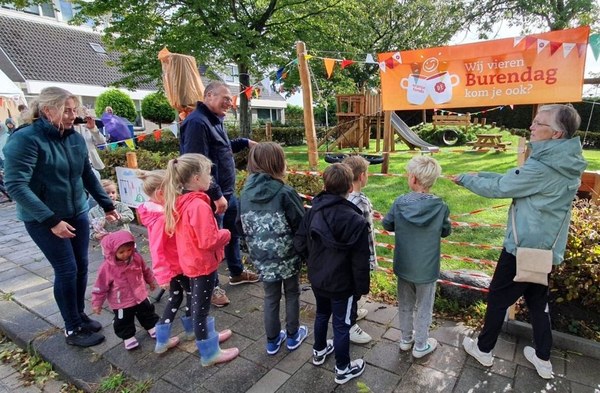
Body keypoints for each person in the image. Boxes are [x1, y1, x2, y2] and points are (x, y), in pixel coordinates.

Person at [452, 104, 587, 379]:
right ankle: (543, 359)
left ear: (556, 134)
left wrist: (466, 179)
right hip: (545, 247)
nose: (532, 127)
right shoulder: (566, 162)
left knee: (498, 298)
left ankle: (484, 349)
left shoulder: (543, 167)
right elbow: (514, 180)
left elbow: (502, 187)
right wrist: (483, 174)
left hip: (522, 247)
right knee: (538, 301)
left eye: (539, 124)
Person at [2, 86, 119, 347]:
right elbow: (16, 185)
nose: (72, 115)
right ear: (47, 111)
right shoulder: (25, 140)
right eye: (66, 110)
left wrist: (106, 205)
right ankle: (72, 328)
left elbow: (86, 174)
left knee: (81, 266)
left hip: (76, 211)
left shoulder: (74, 137)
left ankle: (79, 315)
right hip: (43, 218)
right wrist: (51, 221)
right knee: (66, 269)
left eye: (74, 109)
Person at [180, 80, 259, 308]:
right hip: (212, 196)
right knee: (211, 243)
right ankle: (211, 286)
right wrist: (215, 195)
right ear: (209, 96)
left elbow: (220, 149)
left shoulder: (215, 120)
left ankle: (236, 272)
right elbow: (197, 165)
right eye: (225, 98)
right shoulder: (196, 123)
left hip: (227, 192)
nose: (229, 102)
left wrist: (243, 142)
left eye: (230, 98)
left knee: (231, 232)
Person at [294, 163, 370, 385]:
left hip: (318, 278)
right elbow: (360, 261)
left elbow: (299, 242)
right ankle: (343, 368)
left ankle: (318, 351)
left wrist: (313, 260)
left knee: (321, 314)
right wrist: (361, 288)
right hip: (342, 285)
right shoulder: (356, 220)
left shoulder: (313, 210)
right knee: (342, 324)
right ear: (349, 186)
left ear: (325, 185)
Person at [163, 153, 239, 366]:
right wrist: (226, 234)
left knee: (199, 304)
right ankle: (209, 352)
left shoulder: (183, 200)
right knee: (201, 309)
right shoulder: (198, 206)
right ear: (196, 178)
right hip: (202, 264)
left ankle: (209, 336)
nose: (211, 179)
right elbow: (208, 240)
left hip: (192, 261)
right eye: (208, 174)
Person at [238, 142, 307, 355]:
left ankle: (272, 341)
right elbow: (301, 224)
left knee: (270, 297)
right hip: (288, 257)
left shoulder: (244, 195)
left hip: (261, 258)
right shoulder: (285, 192)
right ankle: (294, 335)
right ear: (278, 163)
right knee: (292, 292)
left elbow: (239, 226)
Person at [382, 155, 451, 358]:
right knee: (424, 306)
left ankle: (405, 339)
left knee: (405, 303)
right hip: (427, 268)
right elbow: (446, 231)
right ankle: (421, 344)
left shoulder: (399, 203)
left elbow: (387, 224)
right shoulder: (440, 206)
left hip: (404, 265)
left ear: (412, 179)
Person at [137, 169, 195, 353]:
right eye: (174, 191)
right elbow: (157, 249)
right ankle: (193, 329)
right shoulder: (161, 219)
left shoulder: (156, 213)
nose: (178, 194)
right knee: (192, 294)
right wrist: (162, 275)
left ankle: (163, 340)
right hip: (175, 266)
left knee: (176, 297)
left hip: (173, 266)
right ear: (161, 194)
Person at [91, 230, 170, 351]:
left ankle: (152, 327)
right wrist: (97, 303)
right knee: (123, 320)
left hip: (140, 294)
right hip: (121, 301)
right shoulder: (107, 268)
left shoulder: (136, 258)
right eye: (121, 252)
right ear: (112, 252)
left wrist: (151, 281)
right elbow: (100, 286)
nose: (126, 254)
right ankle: (128, 337)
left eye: (129, 250)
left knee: (147, 311)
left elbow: (145, 270)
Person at [342, 155, 376, 345]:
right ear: (362, 176)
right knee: (353, 290)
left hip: (346, 255)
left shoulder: (342, 196)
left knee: (351, 289)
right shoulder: (361, 201)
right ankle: (350, 324)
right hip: (359, 255)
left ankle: (352, 311)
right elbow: (368, 231)